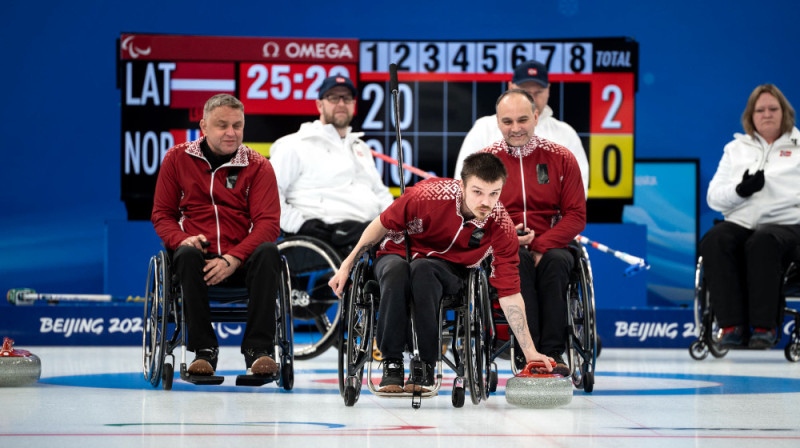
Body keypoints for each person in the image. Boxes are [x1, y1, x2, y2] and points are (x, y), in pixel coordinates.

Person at [328, 152, 554, 393]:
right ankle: (391, 362)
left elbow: (509, 292)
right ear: (462, 185)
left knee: (422, 270)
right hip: (396, 254)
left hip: (447, 269)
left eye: (494, 193)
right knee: (398, 272)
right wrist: (347, 265)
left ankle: (425, 364)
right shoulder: (427, 195)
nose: (485, 202)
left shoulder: (501, 225)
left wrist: (530, 352)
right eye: (477, 192)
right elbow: (380, 224)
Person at [151, 93, 282, 377]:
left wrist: (234, 257)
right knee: (184, 254)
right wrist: (181, 240)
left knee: (270, 251)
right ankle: (203, 350)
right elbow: (162, 215)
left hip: (242, 260)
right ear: (204, 127)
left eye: (237, 125)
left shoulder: (259, 166)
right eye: (222, 125)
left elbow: (268, 224)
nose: (231, 133)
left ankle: (259, 350)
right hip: (195, 258)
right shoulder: (176, 158)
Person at [480, 89, 586, 374]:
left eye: (523, 119)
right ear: (498, 123)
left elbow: (576, 215)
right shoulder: (485, 163)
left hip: (553, 244)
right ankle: (528, 352)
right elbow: (475, 215)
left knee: (557, 262)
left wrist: (542, 244)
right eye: (508, 121)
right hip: (505, 246)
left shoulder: (562, 158)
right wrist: (506, 233)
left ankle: (552, 353)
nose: (515, 128)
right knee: (517, 261)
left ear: (536, 117)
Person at [702, 84, 800, 349]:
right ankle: (731, 326)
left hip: (787, 225)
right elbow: (714, 197)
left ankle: (764, 327)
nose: (766, 114)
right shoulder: (735, 149)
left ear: (784, 113)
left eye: (772, 108)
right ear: (751, 115)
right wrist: (740, 191)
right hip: (741, 221)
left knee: (763, 241)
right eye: (760, 110)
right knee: (715, 239)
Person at [269, 75, 394, 254]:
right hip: (330, 235)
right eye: (334, 98)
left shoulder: (360, 147)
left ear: (353, 105)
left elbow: (381, 194)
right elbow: (268, 193)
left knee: (415, 237)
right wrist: (299, 224)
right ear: (320, 105)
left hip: (368, 230)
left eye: (347, 98)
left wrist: (394, 221)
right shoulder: (295, 145)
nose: (341, 103)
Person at [454, 60, 589, 196]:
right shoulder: (484, 129)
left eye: (538, 92)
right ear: (510, 87)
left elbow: (577, 193)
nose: (531, 99)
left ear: (548, 90)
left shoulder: (566, 135)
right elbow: (463, 184)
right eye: (525, 91)